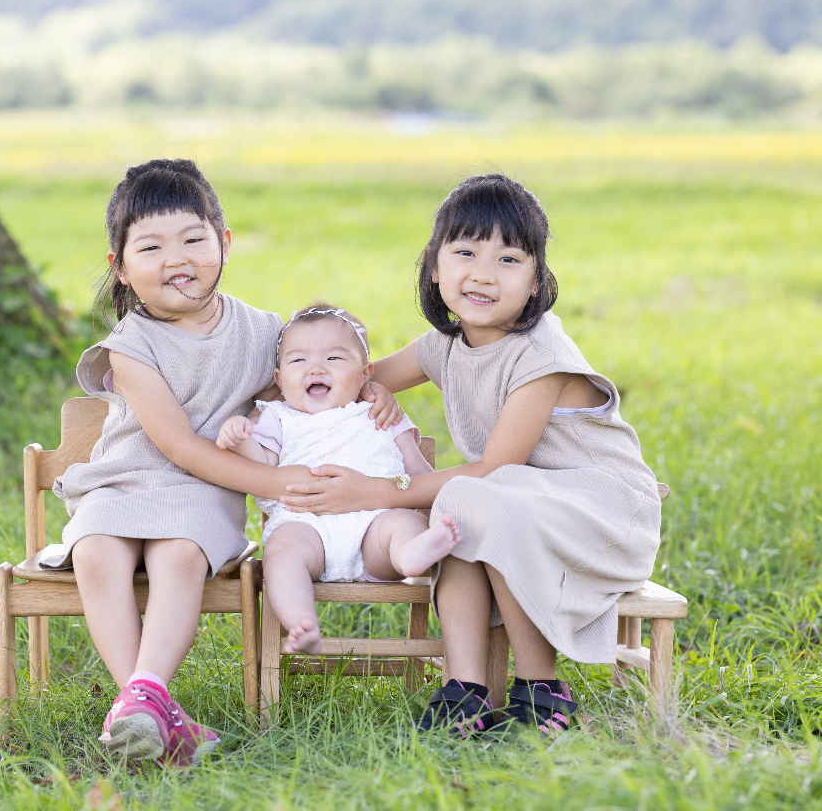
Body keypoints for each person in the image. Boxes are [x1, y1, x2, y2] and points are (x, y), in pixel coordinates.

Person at [42, 158, 401, 766]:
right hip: (126, 477)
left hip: (203, 491)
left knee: (180, 554)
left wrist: (371, 389)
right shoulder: (129, 345)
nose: (175, 257)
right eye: (150, 246)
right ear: (121, 269)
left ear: (224, 243)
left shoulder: (264, 333)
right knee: (97, 551)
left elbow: (315, 376)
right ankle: (148, 705)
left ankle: (144, 704)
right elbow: (177, 446)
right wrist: (276, 480)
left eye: (192, 238)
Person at [278, 173, 662, 736]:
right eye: (464, 252)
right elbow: (349, 378)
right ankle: (466, 691)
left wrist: (377, 492)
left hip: (601, 514)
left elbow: (495, 468)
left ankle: (543, 691)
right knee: (456, 513)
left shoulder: (541, 355)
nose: (482, 274)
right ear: (435, 268)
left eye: (509, 259)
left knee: (470, 496)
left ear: (536, 283)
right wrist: (352, 389)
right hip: (516, 501)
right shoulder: (446, 345)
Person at [216, 303, 457, 656]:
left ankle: (412, 555)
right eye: (298, 361)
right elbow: (263, 467)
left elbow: (419, 474)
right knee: (281, 552)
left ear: (365, 374)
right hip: (304, 526)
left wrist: (429, 511)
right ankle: (302, 622)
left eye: (334, 359)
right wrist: (241, 440)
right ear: (280, 380)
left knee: (402, 522)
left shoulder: (381, 411)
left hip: (375, 528)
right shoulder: (276, 417)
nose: (315, 367)